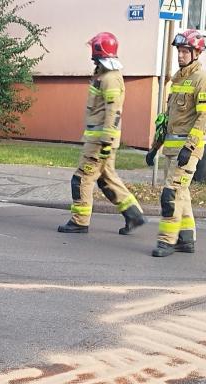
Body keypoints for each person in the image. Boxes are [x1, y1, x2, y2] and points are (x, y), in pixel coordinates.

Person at [57, 32, 146, 235]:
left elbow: (113, 111)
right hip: (99, 139)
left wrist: (106, 141)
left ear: (99, 51)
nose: (91, 54)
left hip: (100, 141)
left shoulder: (110, 78)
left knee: (82, 178)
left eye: (94, 50)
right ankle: (134, 215)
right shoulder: (103, 74)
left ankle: (79, 221)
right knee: (107, 179)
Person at [144, 29, 206, 257]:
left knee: (171, 195)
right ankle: (186, 239)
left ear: (196, 53)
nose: (181, 55)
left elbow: (204, 118)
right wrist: (154, 148)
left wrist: (189, 147)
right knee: (181, 194)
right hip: (171, 150)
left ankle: (167, 241)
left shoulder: (203, 80)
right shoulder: (178, 79)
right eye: (179, 51)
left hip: (187, 151)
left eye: (185, 51)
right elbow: (167, 118)